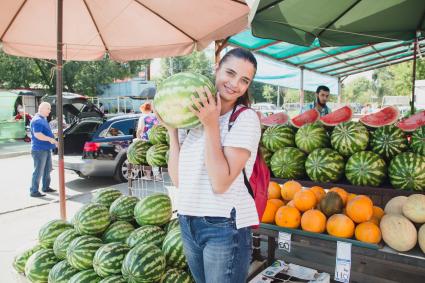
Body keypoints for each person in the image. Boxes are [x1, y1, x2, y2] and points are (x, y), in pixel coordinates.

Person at [157, 48, 261, 283]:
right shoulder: (190, 117)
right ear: (217, 69)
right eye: (230, 73)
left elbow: (220, 182)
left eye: (244, 80)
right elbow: (178, 180)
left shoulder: (245, 119)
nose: (235, 84)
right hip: (188, 220)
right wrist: (172, 131)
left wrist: (211, 124)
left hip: (224, 226)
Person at [29, 102, 58, 197]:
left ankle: (46, 187)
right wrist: (51, 139)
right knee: (38, 171)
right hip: (39, 150)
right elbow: (38, 134)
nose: (50, 111)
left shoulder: (42, 119)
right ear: (42, 109)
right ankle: (34, 191)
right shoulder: (37, 120)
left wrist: (52, 135)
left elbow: (43, 132)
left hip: (45, 149)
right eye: (48, 109)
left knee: (47, 169)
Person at [136, 102, 161, 181]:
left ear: (143, 109)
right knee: (154, 156)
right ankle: (157, 176)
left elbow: (140, 129)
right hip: (155, 139)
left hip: (146, 139)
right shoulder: (155, 116)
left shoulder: (143, 118)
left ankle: (148, 175)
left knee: (146, 157)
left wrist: (137, 136)